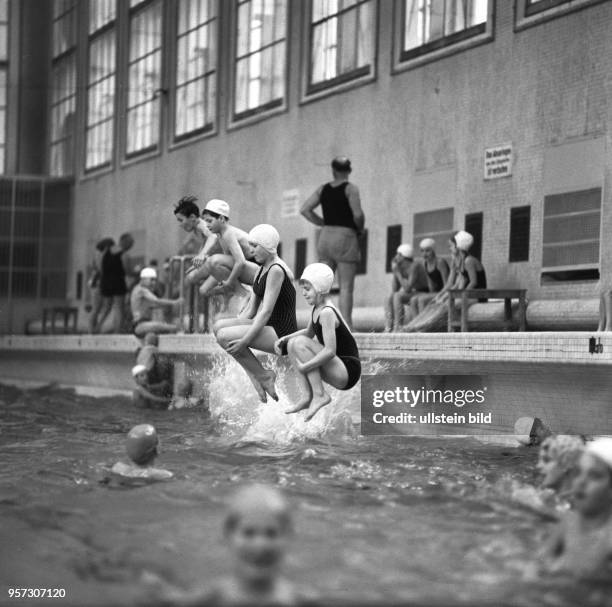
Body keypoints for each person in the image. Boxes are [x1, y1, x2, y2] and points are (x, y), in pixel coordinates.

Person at [144, 484, 308, 606]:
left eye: (271, 533)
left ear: (288, 536)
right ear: (228, 537)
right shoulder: (215, 596)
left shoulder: (298, 599)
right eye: (249, 533)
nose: (261, 545)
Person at [214, 224, 297, 403]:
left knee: (224, 336)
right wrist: (234, 325)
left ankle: (263, 375)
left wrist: (244, 341)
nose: (250, 251)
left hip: (282, 333)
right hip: (269, 326)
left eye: (255, 246)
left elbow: (265, 312)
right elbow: (251, 310)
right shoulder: (261, 268)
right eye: (250, 246)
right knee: (219, 327)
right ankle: (255, 373)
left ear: (267, 246)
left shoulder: (276, 270)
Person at [280, 263, 361, 421]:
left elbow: (330, 351)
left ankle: (320, 395)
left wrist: (306, 366)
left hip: (348, 370)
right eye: (303, 288)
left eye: (307, 289)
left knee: (299, 343)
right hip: (338, 367)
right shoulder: (317, 308)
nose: (303, 293)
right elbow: (309, 333)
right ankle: (306, 396)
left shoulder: (327, 312)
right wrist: (285, 338)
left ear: (320, 289)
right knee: (292, 344)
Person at [301, 156, 365, 328]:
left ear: (333, 170)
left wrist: (322, 222)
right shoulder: (351, 189)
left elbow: (305, 209)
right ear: (349, 170)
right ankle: (346, 326)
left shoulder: (323, 189)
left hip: (326, 237)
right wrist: (359, 227)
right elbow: (357, 215)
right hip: (345, 237)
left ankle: (320, 322)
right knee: (346, 287)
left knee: (322, 284)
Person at [540, 438, 612, 580]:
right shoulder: (569, 522)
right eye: (578, 472)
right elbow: (537, 565)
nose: (581, 481)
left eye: (594, 475)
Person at [404, 230, 486, 332]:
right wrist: (441, 296)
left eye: (451, 246)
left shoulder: (469, 261)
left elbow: (474, 282)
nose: (449, 249)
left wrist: (459, 295)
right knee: (440, 302)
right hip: (468, 294)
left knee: (448, 304)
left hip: (478, 296)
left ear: (458, 246)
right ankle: (419, 325)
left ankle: (430, 327)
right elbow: (455, 284)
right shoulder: (459, 261)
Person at [92, 232, 134, 333]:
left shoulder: (106, 251)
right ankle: (117, 332)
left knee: (107, 307)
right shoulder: (124, 254)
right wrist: (138, 272)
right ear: (124, 241)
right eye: (130, 243)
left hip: (105, 282)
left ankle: (98, 327)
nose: (131, 246)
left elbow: (100, 267)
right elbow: (127, 271)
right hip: (118, 282)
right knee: (120, 308)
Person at [383, 244, 429, 332]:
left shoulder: (415, 266)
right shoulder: (400, 267)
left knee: (398, 296)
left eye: (398, 254)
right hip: (415, 293)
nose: (396, 257)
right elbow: (395, 289)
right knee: (389, 297)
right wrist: (395, 273)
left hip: (425, 292)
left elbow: (408, 289)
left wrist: (397, 273)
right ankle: (388, 327)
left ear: (404, 256)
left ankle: (398, 326)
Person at [130, 267, 183, 337]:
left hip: (142, 325)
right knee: (164, 326)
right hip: (140, 326)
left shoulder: (140, 292)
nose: (154, 283)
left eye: (155, 280)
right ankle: (178, 329)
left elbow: (156, 304)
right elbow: (157, 301)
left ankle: (177, 329)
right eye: (151, 280)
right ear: (143, 279)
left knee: (163, 325)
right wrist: (174, 302)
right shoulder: (141, 290)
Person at [408, 238, 450, 320]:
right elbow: (431, 286)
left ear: (433, 250)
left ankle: (423, 327)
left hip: (444, 293)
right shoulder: (425, 263)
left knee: (421, 300)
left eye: (427, 251)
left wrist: (438, 297)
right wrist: (430, 296)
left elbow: (447, 284)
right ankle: (415, 325)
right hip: (435, 293)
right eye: (422, 251)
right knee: (413, 300)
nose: (424, 254)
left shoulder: (440, 262)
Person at [87, 237, 115, 333]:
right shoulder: (102, 255)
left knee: (99, 308)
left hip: (97, 283)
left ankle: (94, 328)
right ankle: (94, 328)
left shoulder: (97, 255)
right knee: (101, 307)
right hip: (100, 282)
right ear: (107, 247)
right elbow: (102, 269)